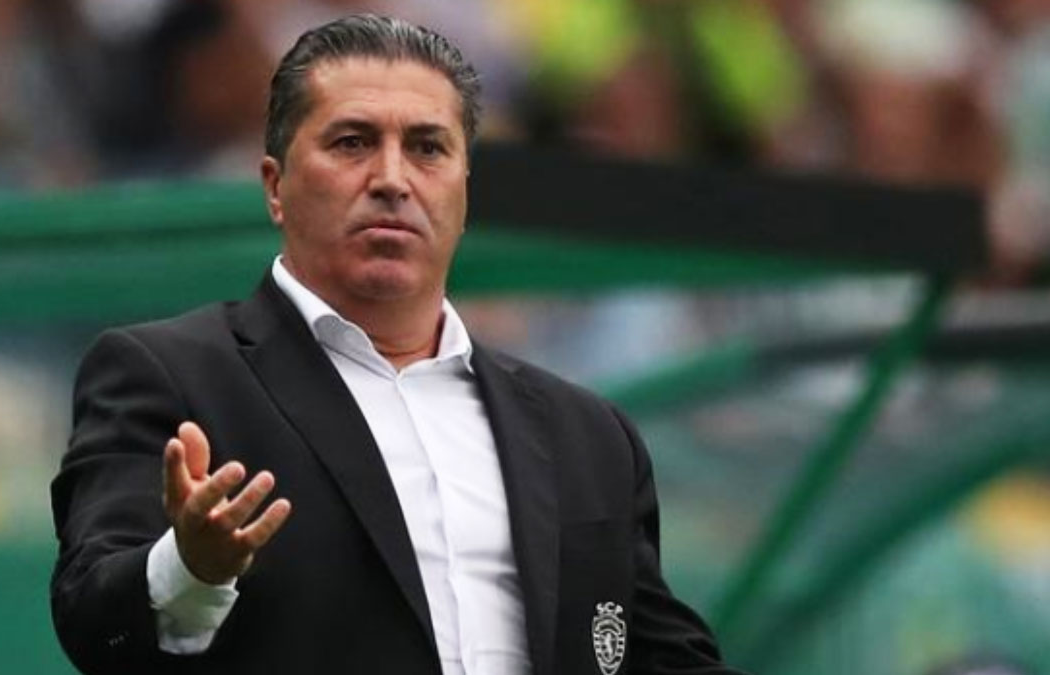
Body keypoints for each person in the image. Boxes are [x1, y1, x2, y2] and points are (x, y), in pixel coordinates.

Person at [50, 14, 746, 675]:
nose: (391, 179)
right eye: (352, 142)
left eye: (427, 147)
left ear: (464, 192)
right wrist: (189, 567)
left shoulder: (589, 435)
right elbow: (92, 615)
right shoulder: (166, 375)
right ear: (275, 187)